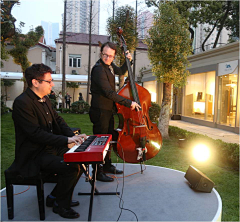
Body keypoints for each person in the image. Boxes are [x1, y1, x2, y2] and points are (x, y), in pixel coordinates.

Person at [10, 63, 87, 219]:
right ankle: (61, 205)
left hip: (49, 148)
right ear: (35, 82)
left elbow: (58, 120)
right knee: (71, 168)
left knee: (80, 159)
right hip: (34, 154)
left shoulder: (44, 99)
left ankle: (54, 197)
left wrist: (74, 136)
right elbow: (36, 134)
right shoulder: (22, 103)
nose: (52, 84)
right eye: (49, 81)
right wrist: (66, 140)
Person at [89, 42, 141, 182]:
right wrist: (129, 103)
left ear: (113, 56)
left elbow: (121, 71)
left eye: (111, 56)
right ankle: (97, 171)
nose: (107, 58)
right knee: (100, 141)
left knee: (108, 139)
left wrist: (128, 60)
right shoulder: (99, 69)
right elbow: (108, 92)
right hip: (100, 111)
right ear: (101, 54)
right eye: (105, 55)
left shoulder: (109, 66)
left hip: (107, 110)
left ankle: (107, 165)